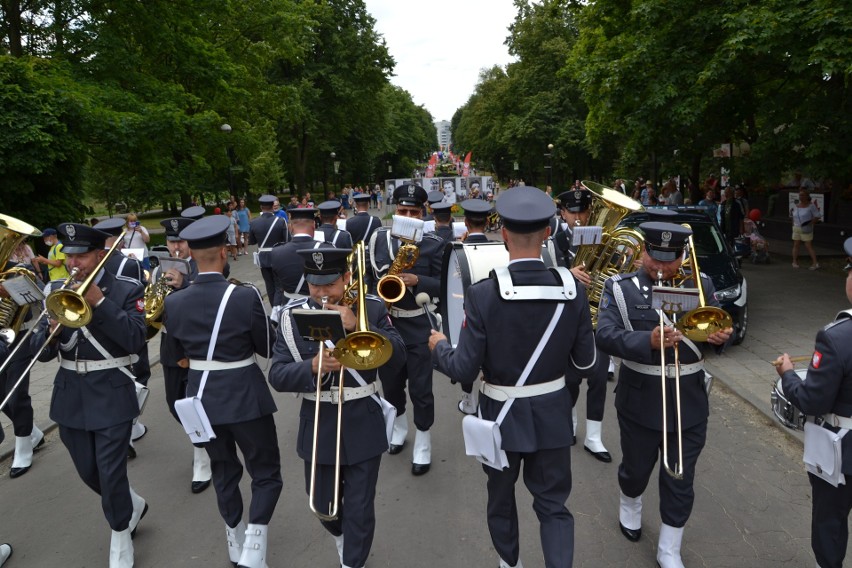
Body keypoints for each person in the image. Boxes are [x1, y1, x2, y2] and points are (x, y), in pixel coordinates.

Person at [429, 186, 597, 568]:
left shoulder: (482, 293)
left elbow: (463, 369)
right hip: (553, 414)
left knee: (501, 501)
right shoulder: (573, 291)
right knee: (554, 507)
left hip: (499, 416)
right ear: (549, 233)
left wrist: (438, 345)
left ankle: (510, 564)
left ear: (502, 234)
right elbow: (586, 364)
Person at [595, 222, 732, 568]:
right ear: (643, 252)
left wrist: (720, 337)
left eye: (669, 260)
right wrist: (647, 341)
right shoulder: (620, 287)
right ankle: (630, 501)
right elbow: (605, 335)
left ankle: (669, 548)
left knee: (681, 477)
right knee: (636, 468)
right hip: (639, 398)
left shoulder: (701, 286)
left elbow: (716, 329)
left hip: (688, 399)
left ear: (682, 256)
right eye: (655, 258)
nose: (661, 267)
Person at [269, 247, 406, 568]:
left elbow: (399, 356)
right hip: (317, 420)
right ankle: (344, 539)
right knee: (321, 504)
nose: (321, 294)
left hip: (363, 419)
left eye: (329, 285)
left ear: (346, 278)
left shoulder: (369, 307)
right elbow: (277, 374)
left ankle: (353, 560)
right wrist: (312, 367)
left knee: (359, 507)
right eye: (314, 285)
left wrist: (359, 325)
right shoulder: (292, 316)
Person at [163, 215, 281, 568]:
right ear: (225, 251)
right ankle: (255, 545)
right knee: (265, 472)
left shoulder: (174, 302)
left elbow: (175, 356)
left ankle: (235, 535)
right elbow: (267, 347)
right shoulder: (244, 296)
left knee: (223, 470)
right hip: (246, 396)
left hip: (203, 399)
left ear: (191, 256)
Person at [34, 223, 149, 568]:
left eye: (81, 255)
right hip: (70, 393)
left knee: (111, 470)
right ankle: (131, 505)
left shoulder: (126, 288)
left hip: (112, 389)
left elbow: (135, 340)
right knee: (88, 470)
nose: (74, 263)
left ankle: (119, 533)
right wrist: (51, 335)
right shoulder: (55, 289)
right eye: (69, 256)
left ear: (100, 254)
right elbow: (41, 356)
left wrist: (99, 302)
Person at [776, 237, 852, 568]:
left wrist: (788, 374)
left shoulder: (836, 337)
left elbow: (812, 401)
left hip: (843, 451)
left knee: (830, 523)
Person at [367, 183, 444, 475]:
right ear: (394, 210)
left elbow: (446, 285)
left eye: (414, 211)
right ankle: (398, 428)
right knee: (391, 382)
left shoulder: (434, 242)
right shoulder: (379, 240)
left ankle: (423, 440)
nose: (408, 216)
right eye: (402, 211)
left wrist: (417, 281)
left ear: (423, 212)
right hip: (388, 323)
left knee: (422, 389)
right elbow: (369, 280)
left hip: (419, 322)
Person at [552, 189, 613, 462]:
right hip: (567, 321)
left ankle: (594, 437)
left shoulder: (605, 241)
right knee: (572, 380)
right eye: (572, 212)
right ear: (563, 213)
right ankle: (570, 421)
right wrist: (566, 274)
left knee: (599, 378)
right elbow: (541, 276)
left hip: (598, 319)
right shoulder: (554, 241)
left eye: (582, 212)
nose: (578, 217)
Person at [154, 215, 212, 494]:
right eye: (171, 241)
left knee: (198, 401)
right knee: (174, 403)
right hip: (170, 346)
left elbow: (208, 306)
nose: (176, 247)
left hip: (197, 345)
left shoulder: (204, 269)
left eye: (181, 241)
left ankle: (202, 453)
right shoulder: (157, 271)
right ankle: (202, 441)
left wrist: (184, 287)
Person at [93, 218, 149, 457]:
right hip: (124, 322)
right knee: (138, 372)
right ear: (118, 238)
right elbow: (141, 291)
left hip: (98, 330)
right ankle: (131, 425)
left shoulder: (90, 262)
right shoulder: (129, 262)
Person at [0, 231, 45, 478]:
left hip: (19, 337)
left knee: (16, 395)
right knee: (1, 396)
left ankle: (23, 448)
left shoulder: (17, 269)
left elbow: (38, 297)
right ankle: (33, 433)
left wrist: (7, 291)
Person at [454, 199, 492, 415]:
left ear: (466, 222)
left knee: (467, 353)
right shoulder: (498, 247)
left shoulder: (459, 249)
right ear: (487, 222)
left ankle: (468, 399)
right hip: (492, 309)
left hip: (466, 307)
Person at [269, 208, 327, 313]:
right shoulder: (326, 249)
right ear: (314, 225)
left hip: (288, 307)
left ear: (290, 227)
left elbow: (278, 285)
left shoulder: (276, 251)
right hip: (317, 307)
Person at [248, 194, 290, 303]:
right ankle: (279, 306)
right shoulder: (280, 221)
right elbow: (287, 240)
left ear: (261, 207)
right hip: (278, 256)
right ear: (273, 206)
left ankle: (273, 308)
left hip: (263, 258)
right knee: (279, 284)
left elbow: (251, 241)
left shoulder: (253, 222)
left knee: (269, 284)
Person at [791, 189, 822, 270]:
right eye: (800, 195)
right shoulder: (796, 205)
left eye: (802, 195)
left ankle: (815, 263)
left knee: (808, 245)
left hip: (806, 228)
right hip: (796, 228)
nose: (801, 196)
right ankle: (794, 262)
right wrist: (793, 225)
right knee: (796, 245)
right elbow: (793, 216)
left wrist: (810, 223)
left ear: (807, 196)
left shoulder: (811, 206)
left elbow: (817, 216)